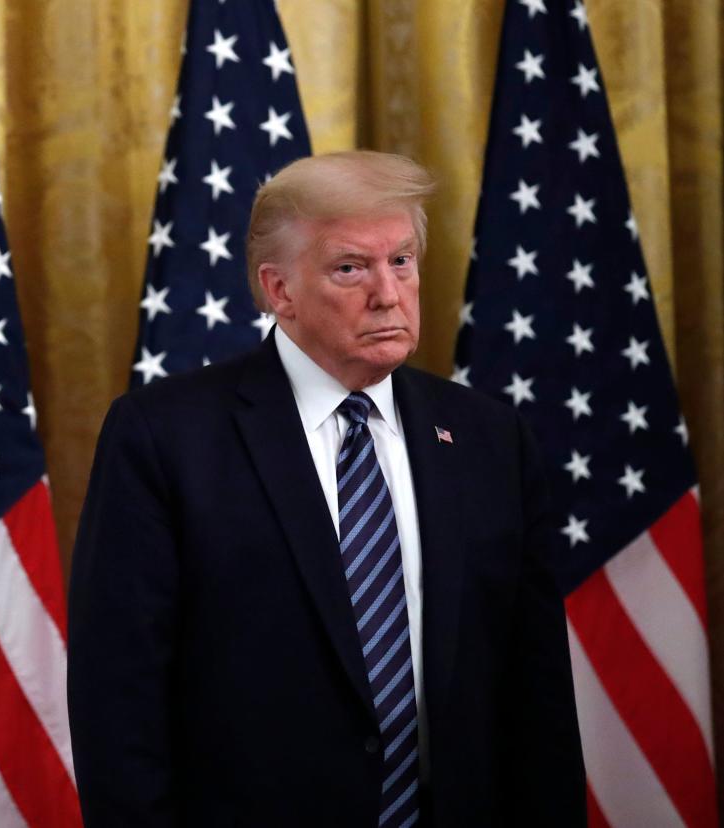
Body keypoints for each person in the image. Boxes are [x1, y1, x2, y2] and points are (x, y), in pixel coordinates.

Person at [67, 151, 586, 827]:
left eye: (401, 261)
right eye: (351, 268)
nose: (388, 292)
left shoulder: (490, 440)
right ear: (279, 290)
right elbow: (118, 703)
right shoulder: (164, 437)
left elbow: (536, 691)